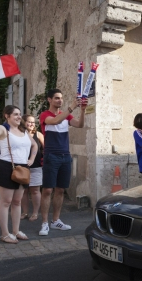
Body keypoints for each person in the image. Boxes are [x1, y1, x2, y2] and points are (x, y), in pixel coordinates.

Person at [0, 101, 37, 243]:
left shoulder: (24, 131)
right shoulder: (3, 130)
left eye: (20, 114)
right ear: (7, 116)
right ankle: (5, 234)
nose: (19, 117)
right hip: (6, 167)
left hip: (23, 168)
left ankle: (16, 231)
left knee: (17, 201)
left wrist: (31, 159)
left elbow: (34, 145)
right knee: (6, 202)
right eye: (16, 114)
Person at [38, 89, 86, 236]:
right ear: (49, 100)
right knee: (47, 190)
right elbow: (55, 121)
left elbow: (79, 125)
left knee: (60, 190)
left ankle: (56, 220)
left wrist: (83, 111)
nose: (60, 100)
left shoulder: (67, 116)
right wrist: (71, 107)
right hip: (51, 156)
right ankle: (45, 223)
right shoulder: (45, 115)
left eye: (61, 98)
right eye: (57, 98)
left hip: (65, 156)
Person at [21, 114, 44, 222]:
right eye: (29, 122)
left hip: (36, 166)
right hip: (22, 167)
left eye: (33, 122)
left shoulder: (38, 135)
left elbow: (45, 148)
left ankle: (35, 213)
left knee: (35, 190)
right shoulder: (20, 134)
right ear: (24, 122)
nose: (31, 124)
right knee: (23, 191)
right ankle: (25, 212)